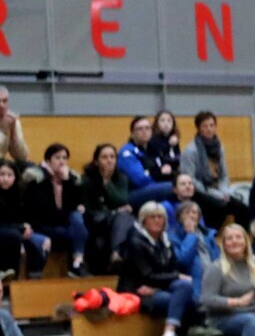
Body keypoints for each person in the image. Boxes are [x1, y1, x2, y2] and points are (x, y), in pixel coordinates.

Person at [117, 201, 199, 336]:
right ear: (144, 220)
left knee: (185, 287)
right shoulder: (135, 242)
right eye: (152, 217)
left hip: (158, 287)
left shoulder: (165, 241)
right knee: (176, 299)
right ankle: (175, 335)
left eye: (160, 217)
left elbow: (173, 267)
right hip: (137, 290)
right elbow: (146, 276)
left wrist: (164, 284)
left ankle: (170, 333)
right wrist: (175, 277)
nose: (157, 220)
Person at [29, 143, 89, 279]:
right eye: (57, 158)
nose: (62, 162)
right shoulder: (38, 179)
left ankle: (78, 260)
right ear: (48, 161)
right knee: (77, 230)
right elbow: (44, 211)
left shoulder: (72, 179)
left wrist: (66, 181)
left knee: (77, 218)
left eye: (64, 158)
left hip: (64, 222)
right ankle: (76, 264)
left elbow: (75, 205)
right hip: (44, 224)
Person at [80, 142, 134, 272]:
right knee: (123, 216)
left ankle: (116, 255)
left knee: (126, 218)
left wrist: (107, 183)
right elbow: (91, 208)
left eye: (112, 157)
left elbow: (122, 200)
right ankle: (115, 254)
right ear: (96, 162)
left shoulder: (121, 178)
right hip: (95, 218)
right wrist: (114, 211)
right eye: (104, 157)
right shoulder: (87, 180)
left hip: (115, 218)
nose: (109, 161)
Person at [185, 111, 250, 215]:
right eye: (205, 126)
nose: (209, 129)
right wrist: (213, 193)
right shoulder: (191, 151)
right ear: (199, 128)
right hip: (200, 191)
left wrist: (224, 191)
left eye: (211, 125)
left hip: (219, 189)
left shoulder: (220, 148)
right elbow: (190, 179)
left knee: (242, 207)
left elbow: (224, 175)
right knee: (219, 207)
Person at [0, 159, 49, 278]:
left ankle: (34, 277)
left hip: (17, 230)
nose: (6, 179)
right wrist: (21, 228)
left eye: (9, 175)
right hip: (8, 231)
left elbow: (25, 216)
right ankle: (9, 274)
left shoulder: (19, 192)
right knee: (14, 237)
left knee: (43, 241)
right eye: (2, 174)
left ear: (15, 177)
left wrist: (26, 226)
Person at [117, 116, 176, 207]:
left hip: (154, 188)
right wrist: (159, 174)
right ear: (132, 134)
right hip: (133, 193)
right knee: (174, 187)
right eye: (140, 129)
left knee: (179, 198)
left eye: (147, 128)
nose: (144, 131)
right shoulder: (127, 152)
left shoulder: (153, 150)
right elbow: (140, 180)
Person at [172, 197, 220, 290]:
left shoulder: (208, 234)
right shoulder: (174, 237)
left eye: (194, 212)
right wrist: (190, 234)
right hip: (193, 282)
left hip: (213, 280)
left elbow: (217, 258)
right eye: (187, 213)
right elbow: (183, 260)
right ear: (179, 216)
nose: (191, 215)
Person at [147, 111, 183, 185]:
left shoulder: (174, 140)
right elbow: (155, 157)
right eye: (162, 121)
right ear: (157, 123)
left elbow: (177, 157)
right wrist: (163, 166)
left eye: (169, 121)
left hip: (173, 172)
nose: (166, 124)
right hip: (158, 174)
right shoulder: (152, 140)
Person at [0, 86, 28, 167]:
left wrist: (12, 131)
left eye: (4, 101)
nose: (1, 105)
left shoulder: (12, 120)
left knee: (27, 166)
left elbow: (21, 156)